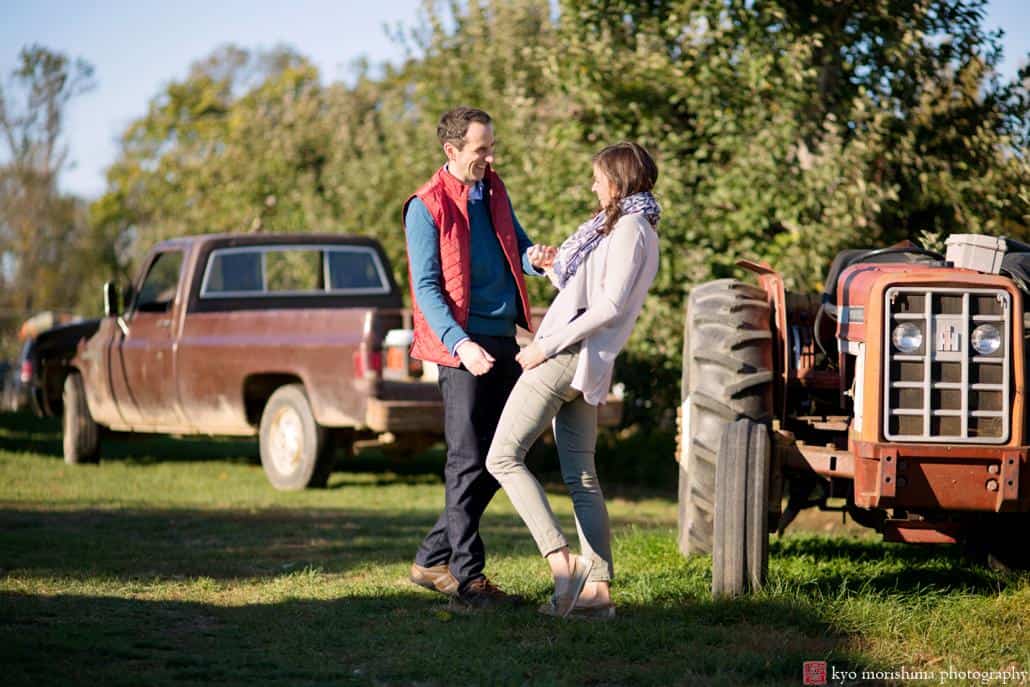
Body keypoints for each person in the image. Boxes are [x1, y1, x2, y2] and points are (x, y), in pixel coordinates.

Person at [486, 141, 661, 620]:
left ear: (619, 181)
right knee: (581, 477)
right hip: (586, 361)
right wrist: (550, 266)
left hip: (565, 355)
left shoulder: (630, 229)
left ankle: (563, 564)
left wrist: (546, 344)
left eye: (598, 177)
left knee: (502, 456)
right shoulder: (625, 228)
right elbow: (588, 291)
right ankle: (598, 594)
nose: (593, 185)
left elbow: (607, 307)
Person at [405, 106, 555, 609]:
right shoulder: (425, 207)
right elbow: (426, 288)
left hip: (503, 340)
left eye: (491, 148)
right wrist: (459, 344)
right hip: (461, 349)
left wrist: (535, 259)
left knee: (510, 451)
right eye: (480, 150)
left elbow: (515, 243)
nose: (489, 157)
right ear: (451, 150)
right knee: (468, 461)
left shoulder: (492, 188)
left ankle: (431, 555)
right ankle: (468, 579)